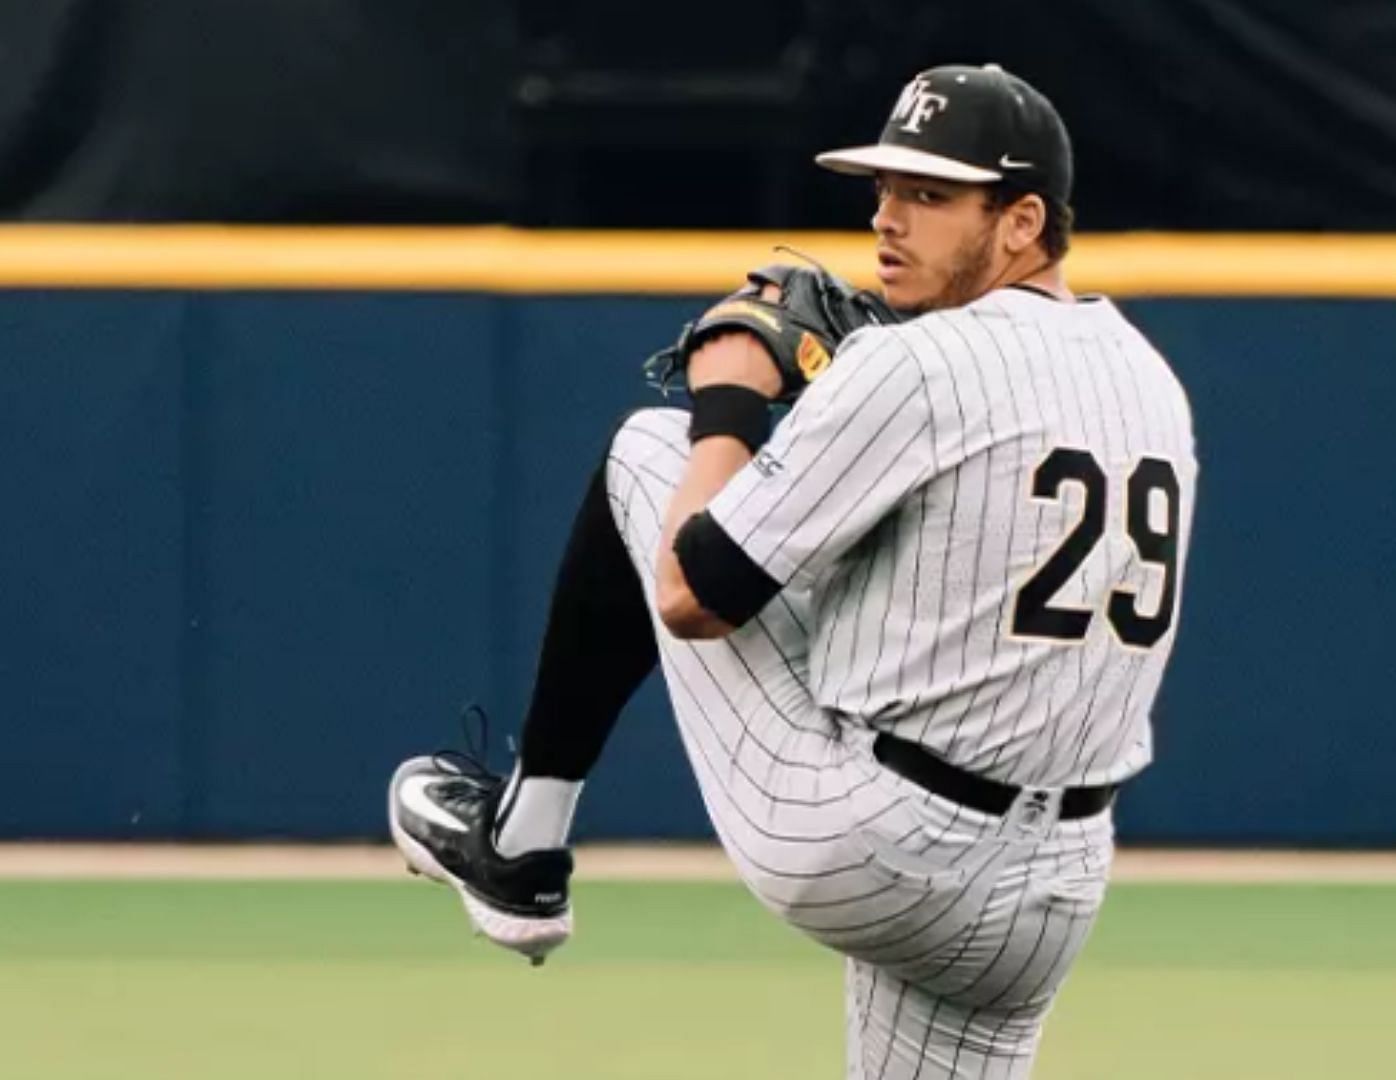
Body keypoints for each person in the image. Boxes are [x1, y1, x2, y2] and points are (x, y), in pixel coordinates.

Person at [388, 62, 1197, 1078]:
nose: (890, 219)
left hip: (879, 847)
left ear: (1024, 220)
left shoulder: (918, 366)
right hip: (1056, 892)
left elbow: (692, 595)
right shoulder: (1146, 378)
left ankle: (523, 845)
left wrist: (730, 396)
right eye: (886, 189)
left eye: (931, 196)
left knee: (651, 452)